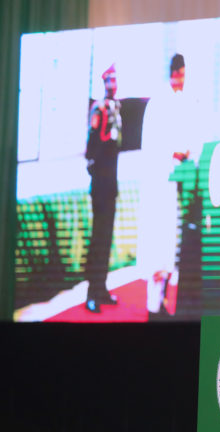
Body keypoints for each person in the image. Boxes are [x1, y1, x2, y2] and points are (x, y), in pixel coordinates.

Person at [139, 53, 200, 320]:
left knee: (170, 246)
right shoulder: (157, 104)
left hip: (176, 182)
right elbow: (153, 145)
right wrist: (174, 153)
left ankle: (162, 301)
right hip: (158, 184)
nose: (182, 81)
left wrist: (187, 153)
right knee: (157, 244)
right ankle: (153, 305)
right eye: (180, 75)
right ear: (173, 74)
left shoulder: (183, 102)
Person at [84, 63, 122, 313]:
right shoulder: (98, 108)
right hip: (100, 184)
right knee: (98, 239)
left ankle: (103, 287)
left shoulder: (117, 108)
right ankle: (92, 293)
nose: (112, 84)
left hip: (112, 184)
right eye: (108, 80)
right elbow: (91, 148)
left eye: (115, 80)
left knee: (107, 239)